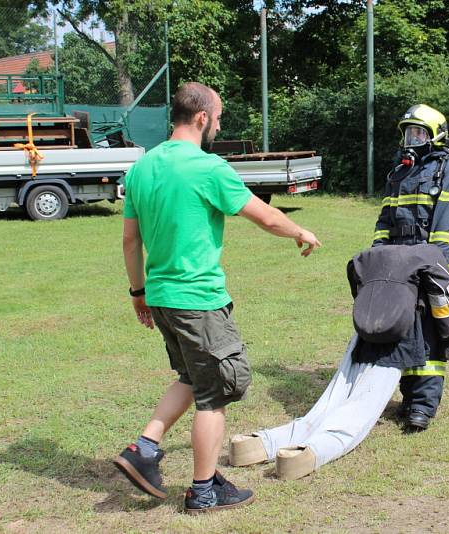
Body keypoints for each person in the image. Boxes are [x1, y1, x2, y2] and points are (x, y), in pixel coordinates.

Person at [114, 81, 321, 514]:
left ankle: (145, 448)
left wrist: (139, 292)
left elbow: (130, 240)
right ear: (203, 117)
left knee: (193, 377)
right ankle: (203, 490)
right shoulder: (208, 167)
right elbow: (263, 215)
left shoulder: (141, 168)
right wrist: (300, 230)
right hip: (198, 300)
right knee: (216, 392)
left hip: (164, 298)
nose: (219, 124)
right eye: (219, 116)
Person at [228, 244, 449, 480]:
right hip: (401, 332)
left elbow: (356, 281)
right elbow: (445, 300)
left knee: (330, 403)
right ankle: (308, 454)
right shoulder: (432, 256)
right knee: (359, 411)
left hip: (364, 332)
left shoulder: (370, 255)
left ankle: (254, 445)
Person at [371, 104, 449, 431]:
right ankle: (408, 397)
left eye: (418, 132)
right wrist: (378, 256)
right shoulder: (400, 173)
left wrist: (429, 265)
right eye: (407, 132)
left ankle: (424, 406)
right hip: (398, 263)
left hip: (434, 263)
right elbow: (385, 220)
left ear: (436, 136)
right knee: (403, 330)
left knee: (431, 332)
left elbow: (445, 230)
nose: (410, 138)